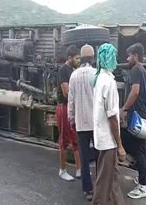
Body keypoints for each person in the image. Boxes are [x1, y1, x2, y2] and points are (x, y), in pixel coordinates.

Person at [92, 43, 126, 205]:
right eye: (113, 57)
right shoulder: (109, 82)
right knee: (104, 180)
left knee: (111, 176)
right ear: (109, 59)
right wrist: (119, 145)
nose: (116, 60)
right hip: (108, 140)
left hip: (101, 136)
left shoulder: (99, 79)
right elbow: (112, 116)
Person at [120, 43, 146, 199]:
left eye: (129, 55)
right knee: (140, 149)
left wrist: (124, 108)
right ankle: (141, 177)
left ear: (136, 55)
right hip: (143, 115)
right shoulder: (144, 71)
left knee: (134, 148)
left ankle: (143, 186)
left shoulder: (136, 70)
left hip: (137, 116)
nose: (127, 58)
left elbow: (135, 91)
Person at [68, 44, 96, 201]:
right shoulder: (96, 75)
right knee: (99, 156)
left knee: (84, 158)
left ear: (81, 58)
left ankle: (88, 190)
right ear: (92, 58)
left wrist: (71, 119)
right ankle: (101, 186)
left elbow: (70, 102)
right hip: (96, 123)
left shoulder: (74, 76)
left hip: (80, 123)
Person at [56, 45, 81, 181]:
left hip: (72, 107)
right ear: (70, 58)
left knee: (76, 138)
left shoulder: (73, 70)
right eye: (77, 58)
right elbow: (66, 93)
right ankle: (62, 170)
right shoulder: (63, 70)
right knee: (64, 139)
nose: (79, 61)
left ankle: (79, 169)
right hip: (64, 107)